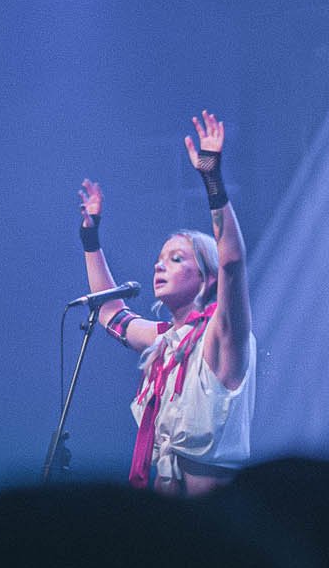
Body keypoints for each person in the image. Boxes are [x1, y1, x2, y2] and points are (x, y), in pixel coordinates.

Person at [78, 110, 254, 493]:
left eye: (176, 259)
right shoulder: (165, 340)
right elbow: (110, 312)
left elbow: (233, 262)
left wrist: (212, 177)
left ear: (206, 278)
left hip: (211, 525)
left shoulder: (222, 336)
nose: (160, 266)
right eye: (159, 259)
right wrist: (90, 238)